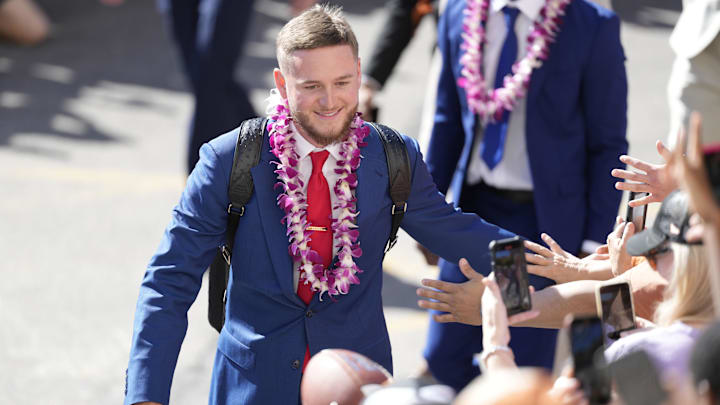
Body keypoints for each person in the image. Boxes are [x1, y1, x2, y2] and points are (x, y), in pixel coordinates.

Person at [124, 5, 520, 405]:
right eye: (311, 86)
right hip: (253, 391)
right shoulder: (229, 160)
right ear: (281, 84)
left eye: (343, 82)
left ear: (360, 73)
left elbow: (460, 234)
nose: (330, 102)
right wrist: (146, 397)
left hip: (355, 389)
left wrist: (563, 278)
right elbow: (168, 282)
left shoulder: (393, 158)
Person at [421, 0, 628, 390]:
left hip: (534, 224)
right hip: (473, 211)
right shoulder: (459, 12)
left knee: (522, 359)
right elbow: (447, 119)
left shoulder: (589, 25)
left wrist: (589, 242)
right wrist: (425, 213)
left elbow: (608, 142)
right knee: (443, 352)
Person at [605, 191, 714, 384]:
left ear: (684, 262)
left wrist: (620, 276)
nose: (650, 264)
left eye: (655, 254)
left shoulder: (642, 350)